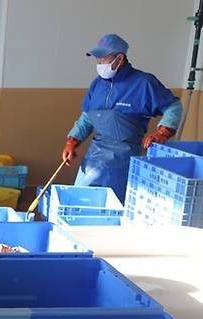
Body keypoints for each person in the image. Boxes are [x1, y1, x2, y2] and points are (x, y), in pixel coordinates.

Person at [61, 34, 182, 202]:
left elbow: (173, 107)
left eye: (104, 58)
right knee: (82, 201)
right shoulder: (97, 84)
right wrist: (72, 141)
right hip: (94, 157)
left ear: (119, 58)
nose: (99, 63)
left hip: (123, 159)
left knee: (112, 205)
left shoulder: (144, 83)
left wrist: (162, 133)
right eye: (98, 59)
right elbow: (87, 116)